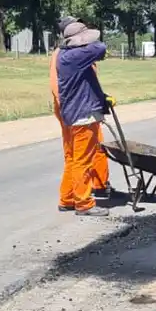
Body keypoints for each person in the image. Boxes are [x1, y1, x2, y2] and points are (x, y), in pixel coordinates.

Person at [53, 17, 113, 218]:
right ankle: (84, 203)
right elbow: (100, 48)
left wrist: (102, 98)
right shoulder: (75, 56)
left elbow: (86, 81)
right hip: (82, 115)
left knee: (72, 158)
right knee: (83, 161)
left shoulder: (64, 55)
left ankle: (67, 199)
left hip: (72, 113)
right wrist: (87, 40)